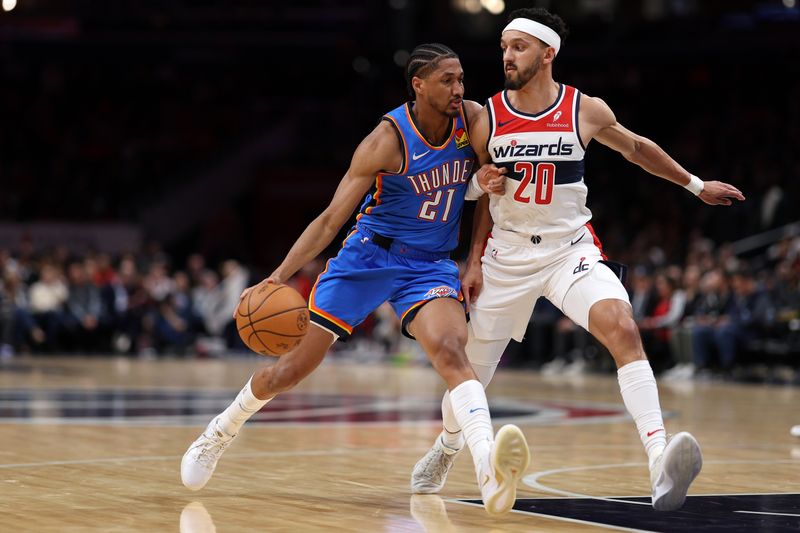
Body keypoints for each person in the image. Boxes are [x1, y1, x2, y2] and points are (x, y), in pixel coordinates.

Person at [410, 8, 745, 512]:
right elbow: (477, 187)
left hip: (570, 250)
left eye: (518, 46)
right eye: (504, 46)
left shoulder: (583, 109)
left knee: (623, 327)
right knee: (469, 378)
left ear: (548, 53)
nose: (506, 55)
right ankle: (449, 445)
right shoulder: (486, 115)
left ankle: (659, 462)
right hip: (507, 256)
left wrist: (696, 186)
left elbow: (636, 148)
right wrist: (474, 250)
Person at [181, 43, 530, 517]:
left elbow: (489, 184)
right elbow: (329, 220)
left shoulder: (472, 120)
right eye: (447, 80)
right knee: (291, 370)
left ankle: (488, 469)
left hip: (429, 264)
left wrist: (474, 260)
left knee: (452, 352)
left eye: (462, 78)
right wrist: (277, 278)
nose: (459, 89)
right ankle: (220, 431)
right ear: (419, 85)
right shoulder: (385, 140)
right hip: (368, 257)